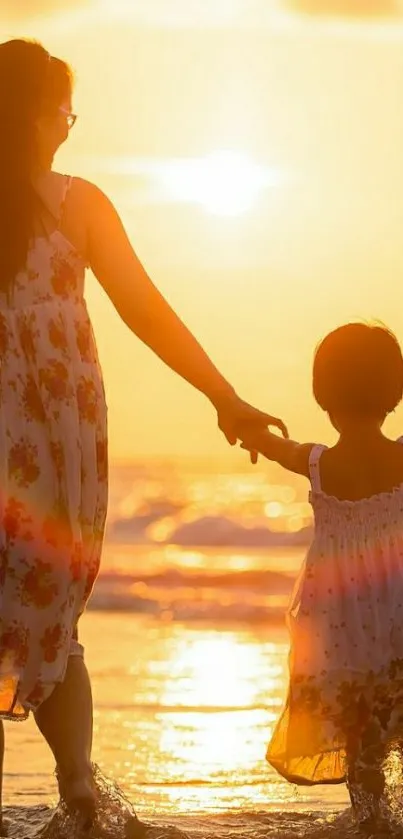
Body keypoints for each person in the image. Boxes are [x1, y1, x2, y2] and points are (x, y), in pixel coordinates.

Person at [0, 37, 286, 832]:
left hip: (35, 443)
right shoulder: (77, 202)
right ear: (36, 115)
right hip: (53, 446)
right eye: (65, 109)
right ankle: (80, 797)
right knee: (54, 616)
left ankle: (80, 797)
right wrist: (224, 398)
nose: (70, 124)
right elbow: (144, 308)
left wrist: (225, 398)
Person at [239, 322, 403, 836]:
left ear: (322, 395)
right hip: (398, 614)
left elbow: (271, 446)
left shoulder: (317, 464)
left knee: (361, 735)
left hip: (341, 627)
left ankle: (369, 818)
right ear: (394, 393)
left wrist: (244, 425)